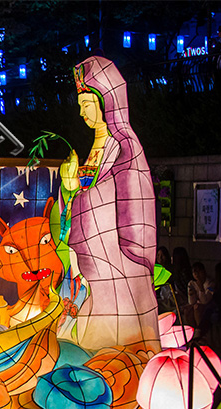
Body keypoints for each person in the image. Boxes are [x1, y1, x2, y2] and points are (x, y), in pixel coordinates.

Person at [58, 56, 160, 354]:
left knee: (116, 344)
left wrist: (77, 190)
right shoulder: (96, 146)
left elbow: (128, 203)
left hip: (120, 264)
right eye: (80, 105)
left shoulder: (125, 147)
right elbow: (85, 196)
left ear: (107, 101)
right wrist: (68, 188)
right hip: (93, 271)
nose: (81, 112)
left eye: (86, 104)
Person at [185, 262, 216, 334]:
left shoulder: (210, 283)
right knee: (187, 310)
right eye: (194, 272)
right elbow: (191, 302)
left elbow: (205, 301)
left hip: (208, 305)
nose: (197, 274)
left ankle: (200, 333)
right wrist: (191, 294)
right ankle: (192, 332)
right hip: (197, 304)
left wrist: (201, 287)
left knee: (197, 310)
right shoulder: (191, 283)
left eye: (199, 271)